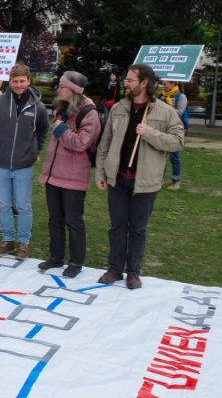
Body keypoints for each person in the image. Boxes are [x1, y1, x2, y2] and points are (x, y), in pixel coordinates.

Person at [95, 64, 184, 289]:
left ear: (144, 83)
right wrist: (101, 172)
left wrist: (150, 133)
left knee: (137, 229)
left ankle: (133, 272)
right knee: (117, 227)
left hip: (146, 182)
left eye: (130, 80)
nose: (125, 83)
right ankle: (115, 269)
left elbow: (177, 142)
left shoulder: (165, 111)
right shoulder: (118, 108)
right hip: (117, 179)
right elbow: (105, 143)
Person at [37, 71, 101, 278]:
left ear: (73, 91)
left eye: (62, 87)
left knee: (73, 221)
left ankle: (76, 262)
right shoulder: (62, 108)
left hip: (74, 176)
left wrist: (61, 129)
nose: (58, 89)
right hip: (53, 173)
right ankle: (56, 257)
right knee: (55, 218)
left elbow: (82, 143)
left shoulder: (89, 113)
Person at [0, 63, 49, 261]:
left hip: (23, 166)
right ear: (9, 82)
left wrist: (35, 150)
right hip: (0, 164)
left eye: (22, 81)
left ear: (29, 81)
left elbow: (43, 130)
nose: (19, 85)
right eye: (15, 81)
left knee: (23, 206)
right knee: (3, 204)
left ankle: (23, 243)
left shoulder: (38, 107)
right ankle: (8, 239)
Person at [161, 80, 188, 191]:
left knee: (174, 156)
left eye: (165, 84)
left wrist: (167, 106)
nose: (163, 86)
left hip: (175, 129)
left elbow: (180, 112)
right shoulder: (162, 96)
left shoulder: (181, 97)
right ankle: (159, 179)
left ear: (173, 84)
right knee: (161, 154)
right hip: (163, 128)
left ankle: (175, 181)